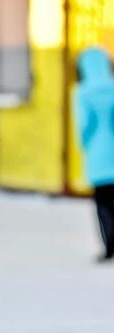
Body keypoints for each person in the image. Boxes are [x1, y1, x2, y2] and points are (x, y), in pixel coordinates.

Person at [75, 46, 114, 262]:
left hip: (98, 157)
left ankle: (109, 245)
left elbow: (84, 126)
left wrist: (85, 146)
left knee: (103, 204)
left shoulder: (84, 92)